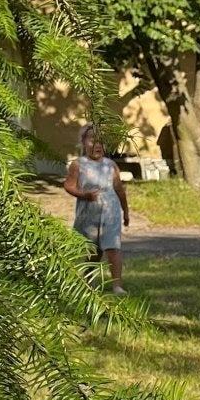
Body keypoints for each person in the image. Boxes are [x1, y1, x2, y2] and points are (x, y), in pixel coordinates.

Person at [65, 124, 129, 293]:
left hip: (110, 213)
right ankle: (89, 279)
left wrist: (126, 212)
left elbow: (120, 190)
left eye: (101, 142)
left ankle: (117, 286)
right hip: (89, 214)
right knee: (93, 250)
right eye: (92, 140)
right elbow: (69, 185)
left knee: (113, 248)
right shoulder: (78, 165)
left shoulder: (111, 165)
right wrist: (84, 194)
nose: (97, 145)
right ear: (83, 142)